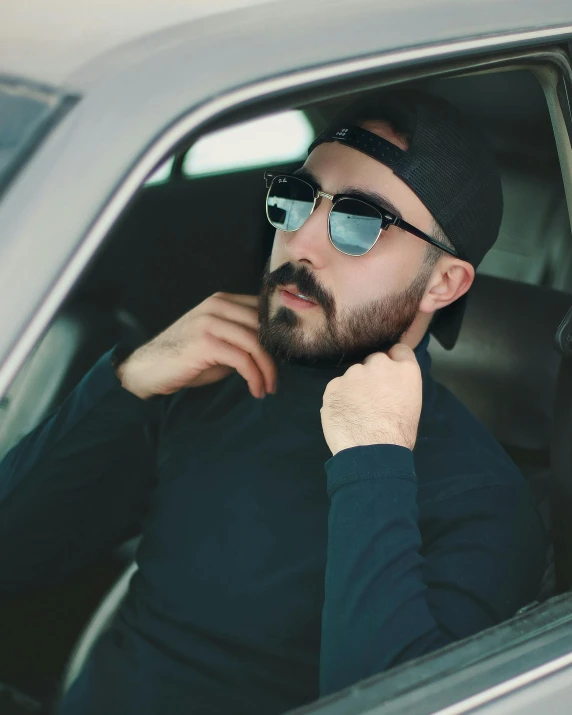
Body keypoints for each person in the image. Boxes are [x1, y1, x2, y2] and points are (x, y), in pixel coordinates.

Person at [0, 89, 547, 715]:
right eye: (296, 201)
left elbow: (390, 701)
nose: (300, 243)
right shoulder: (217, 381)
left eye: (359, 222)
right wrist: (127, 383)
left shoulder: (482, 499)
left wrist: (373, 460)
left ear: (444, 283)